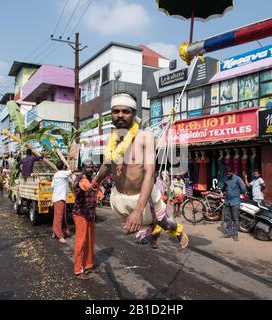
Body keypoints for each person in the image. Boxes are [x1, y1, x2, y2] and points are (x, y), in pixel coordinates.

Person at [93, 92, 189, 249]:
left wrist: (138, 211)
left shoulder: (146, 137)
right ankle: (151, 228)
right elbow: (108, 163)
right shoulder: (113, 138)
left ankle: (178, 231)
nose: (120, 115)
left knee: (166, 223)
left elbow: (150, 175)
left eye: (126, 111)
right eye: (116, 111)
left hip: (144, 199)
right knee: (140, 226)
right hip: (120, 198)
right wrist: (95, 182)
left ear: (134, 113)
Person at [73, 161, 98, 280]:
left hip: (90, 215)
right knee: (81, 242)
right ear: (83, 168)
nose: (91, 169)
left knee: (90, 242)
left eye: (92, 167)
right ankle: (78, 270)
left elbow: (96, 195)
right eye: (88, 167)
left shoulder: (91, 178)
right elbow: (88, 187)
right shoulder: (81, 179)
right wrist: (96, 182)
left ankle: (88, 265)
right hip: (81, 214)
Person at [222, 166, 246, 241]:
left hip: (235, 201)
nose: (227, 175)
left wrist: (236, 194)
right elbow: (224, 187)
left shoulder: (238, 179)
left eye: (229, 173)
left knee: (235, 219)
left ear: (232, 172)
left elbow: (243, 189)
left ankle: (235, 234)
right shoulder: (226, 179)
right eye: (226, 173)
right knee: (227, 218)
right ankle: (229, 232)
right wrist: (224, 191)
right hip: (227, 201)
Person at [52, 160, 72, 243]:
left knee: (59, 216)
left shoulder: (56, 174)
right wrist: (69, 164)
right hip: (59, 198)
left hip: (58, 197)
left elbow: (52, 186)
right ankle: (59, 236)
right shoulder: (62, 173)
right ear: (63, 167)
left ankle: (55, 232)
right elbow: (72, 170)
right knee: (59, 217)